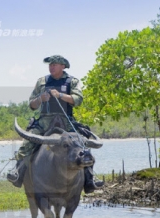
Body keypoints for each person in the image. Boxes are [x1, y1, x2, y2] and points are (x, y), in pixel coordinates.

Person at [6, 55, 103, 193]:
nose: (51, 67)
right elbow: (32, 105)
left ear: (62, 66)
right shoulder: (42, 82)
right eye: (50, 65)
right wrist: (40, 98)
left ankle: (90, 178)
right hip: (45, 121)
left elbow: (78, 100)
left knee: (82, 143)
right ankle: (17, 172)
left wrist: (60, 96)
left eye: (55, 65)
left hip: (66, 121)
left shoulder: (72, 81)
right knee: (28, 142)